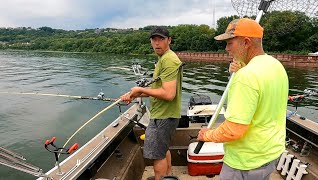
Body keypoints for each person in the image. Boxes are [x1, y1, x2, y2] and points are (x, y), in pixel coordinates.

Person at [197, 18, 289, 180]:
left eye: (230, 43)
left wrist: (207, 135)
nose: (226, 49)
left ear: (246, 42)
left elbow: (233, 132)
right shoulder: (275, 65)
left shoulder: (246, 77)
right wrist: (242, 68)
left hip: (246, 161)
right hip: (269, 153)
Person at [121, 27, 183, 180]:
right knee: (162, 149)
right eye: (154, 40)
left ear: (169, 40)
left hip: (164, 116)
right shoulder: (164, 59)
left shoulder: (169, 59)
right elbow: (158, 90)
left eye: (161, 39)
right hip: (164, 114)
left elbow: (168, 94)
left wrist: (140, 89)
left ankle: (161, 177)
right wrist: (134, 94)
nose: (157, 43)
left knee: (157, 155)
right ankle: (167, 177)